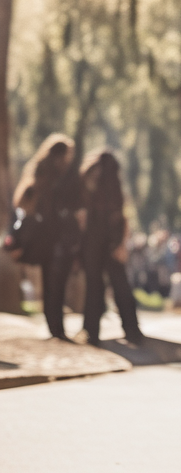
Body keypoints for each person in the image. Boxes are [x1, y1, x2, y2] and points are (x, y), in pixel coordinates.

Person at [10, 134, 83, 340]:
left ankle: (54, 326)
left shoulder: (39, 171)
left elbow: (23, 201)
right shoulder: (60, 176)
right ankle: (56, 328)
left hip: (44, 238)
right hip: (55, 237)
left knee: (49, 282)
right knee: (56, 284)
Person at [79, 150, 143, 345]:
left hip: (93, 243)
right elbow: (123, 219)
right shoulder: (117, 191)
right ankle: (132, 330)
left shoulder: (89, 188)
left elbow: (84, 219)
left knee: (94, 286)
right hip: (112, 244)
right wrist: (121, 244)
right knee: (120, 285)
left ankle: (91, 331)